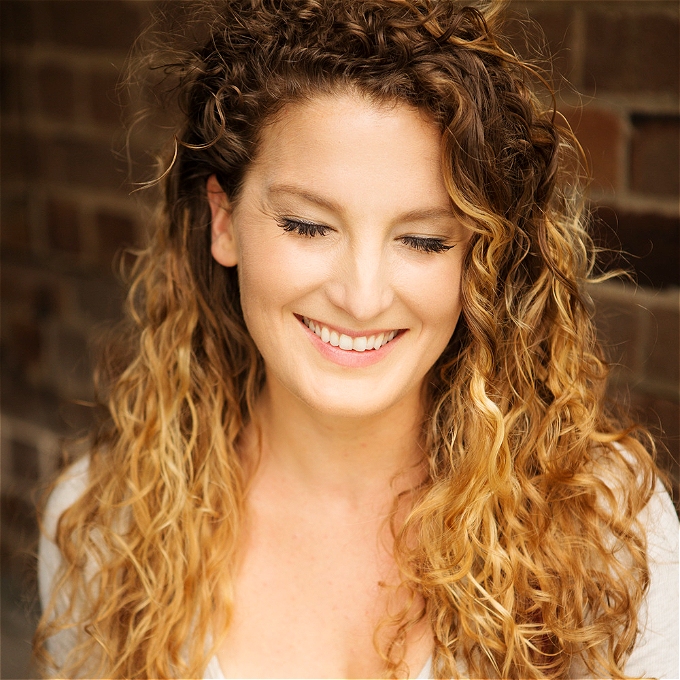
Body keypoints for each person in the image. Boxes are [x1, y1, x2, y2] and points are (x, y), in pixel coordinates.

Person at [34, 1, 679, 678]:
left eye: (423, 240)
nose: (362, 297)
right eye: (308, 227)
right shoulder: (103, 524)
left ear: (479, 258)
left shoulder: (603, 528)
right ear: (223, 221)